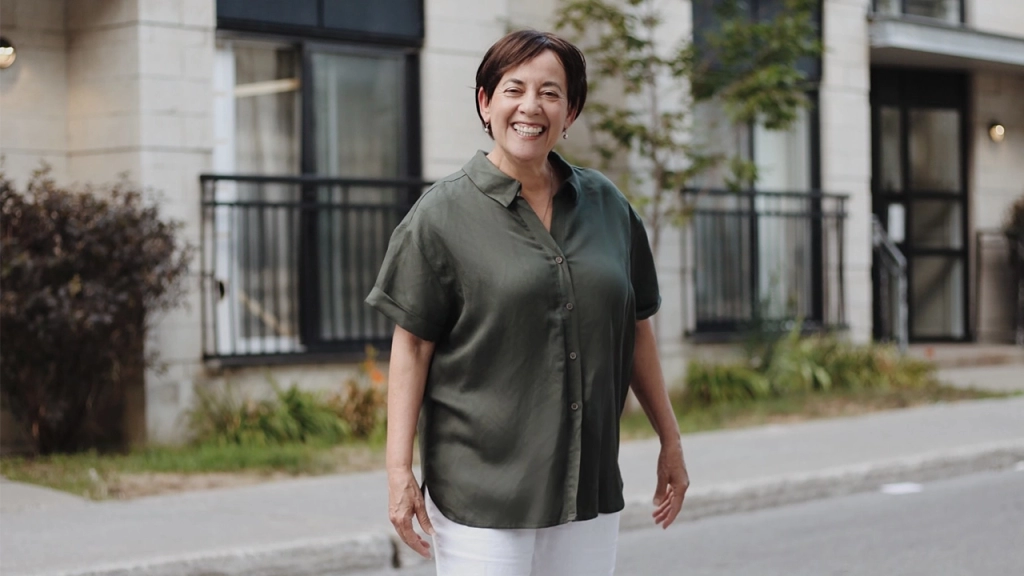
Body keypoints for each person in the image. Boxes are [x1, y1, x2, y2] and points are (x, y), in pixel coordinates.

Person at [366, 29, 689, 576]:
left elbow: (635, 329)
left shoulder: (608, 207)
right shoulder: (440, 215)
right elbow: (413, 345)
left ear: (572, 110)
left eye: (551, 92)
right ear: (485, 102)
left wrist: (670, 439)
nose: (531, 107)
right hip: (481, 493)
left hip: (584, 486)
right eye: (513, 89)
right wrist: (399, 472)